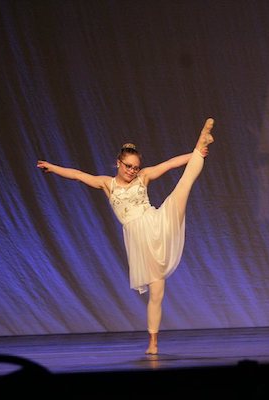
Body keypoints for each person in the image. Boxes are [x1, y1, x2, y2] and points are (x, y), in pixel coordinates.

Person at [36, 118, 215, 355]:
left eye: (135, 167)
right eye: (128, 166)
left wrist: (195, 154)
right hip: (140, 241)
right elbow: (78, 175)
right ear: (118, 163)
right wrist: (54, 168)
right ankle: (153, 343)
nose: (132, 171)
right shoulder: (107, 184)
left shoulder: (144, 177)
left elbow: (170, 164)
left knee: (183, 186)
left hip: (156, 223)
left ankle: (201, 141)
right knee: (157, 293)